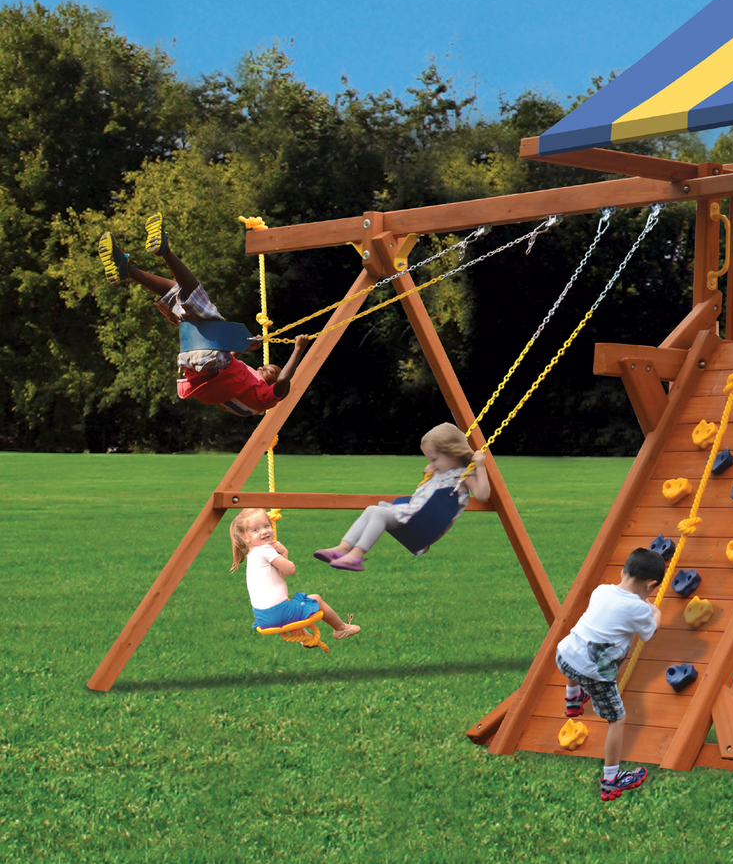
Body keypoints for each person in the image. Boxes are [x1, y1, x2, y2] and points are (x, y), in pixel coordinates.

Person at [98, 211, 312, 416]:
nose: (263, 367)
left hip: (209, 364)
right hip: (194, 361)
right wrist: (243, 347)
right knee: (179, 297)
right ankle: (127, 270)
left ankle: (164, 251)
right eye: (266, 366)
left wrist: (298, 350)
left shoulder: (266, 398)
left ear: (273, 383)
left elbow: (284, 381)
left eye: (269, 371)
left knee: (198, 298)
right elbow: (229, 365)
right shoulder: (247, 384)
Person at [554, 547, 666, 802]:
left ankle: (573, 699)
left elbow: (621, 606)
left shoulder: (602, 590)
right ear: (651, 585)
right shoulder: (639, 610)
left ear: (623, 571)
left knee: (584, 647)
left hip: (564, 656)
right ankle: (611, 779)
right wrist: (656, 613)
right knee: (617, 718)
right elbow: (649, 633)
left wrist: (641, 602)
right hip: (594, 673)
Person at [315, 423, 491, 571]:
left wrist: (480, 466)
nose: (431, 463)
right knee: (372, 509)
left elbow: (483, 495)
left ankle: (355, 556)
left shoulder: (464, 475)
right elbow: (422, 496)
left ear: (452, 454)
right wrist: (427, 477)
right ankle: (343, 548)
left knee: (378, 513)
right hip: (411, 515)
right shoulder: (439, 471)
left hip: (421, 523)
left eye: (434, 459)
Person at [229, 508, 359, 642]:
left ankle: (305, 638)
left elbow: (280, 577)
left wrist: (283, 555)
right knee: (316, 599)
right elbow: (291, 570)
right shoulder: (265, 550)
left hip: (262, 618)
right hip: (278, 613)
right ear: (245, 537)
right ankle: (341, 629)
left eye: (266, 526)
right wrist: (284, 552)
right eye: (256, 530)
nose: (264, 531)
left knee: (291, 606)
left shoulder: (252, 555)